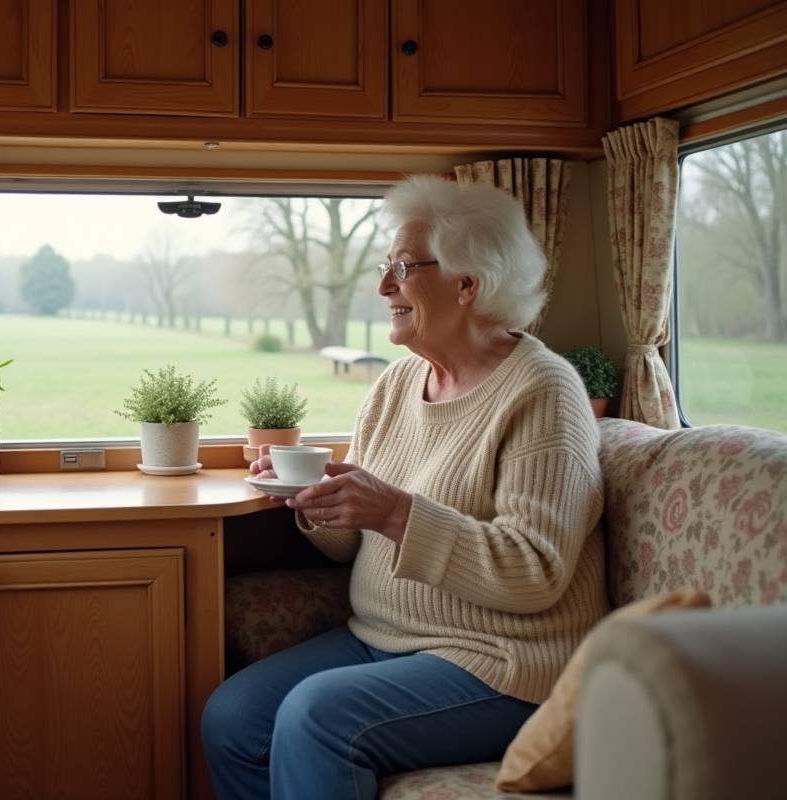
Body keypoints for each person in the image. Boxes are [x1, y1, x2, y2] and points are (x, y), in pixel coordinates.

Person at [202, 175, 609, 800]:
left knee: (318, 718)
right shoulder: (395, 385)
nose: (383, 285)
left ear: (468, 284)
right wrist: (313, 499)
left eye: (402, 267)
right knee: (233, 719)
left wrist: (395, 512)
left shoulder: (544, 393)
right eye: (385, 266)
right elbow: (347, 544)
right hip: (381, 640)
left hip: (503, 663)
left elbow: (536, 572)